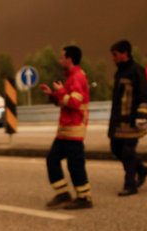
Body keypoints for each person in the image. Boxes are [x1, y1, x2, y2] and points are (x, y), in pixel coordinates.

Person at [38, 45, 93, 210]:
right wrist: (53, 95)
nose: (60, 60)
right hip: (65, 131)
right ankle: (63, 194)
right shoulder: (70, 77)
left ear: (69, 59)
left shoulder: (77, 77)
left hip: (74, 130)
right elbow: (65, 101)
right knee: (52, 160)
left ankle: (84, 197)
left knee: (75, 164)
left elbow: (75, 103)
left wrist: (61, 91)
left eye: (62, 57)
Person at [108, 39, 147, 197]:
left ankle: (130, 184)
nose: (113, 58)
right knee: (115, 149)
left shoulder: (136, 70)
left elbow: (145, 94)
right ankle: (141, 169)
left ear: (124, 54)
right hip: (119, 122)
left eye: (115, 55)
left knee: (127, 152)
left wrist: (141, 115)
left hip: (132, 121)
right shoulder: (119, 72)